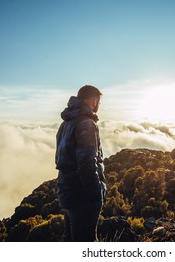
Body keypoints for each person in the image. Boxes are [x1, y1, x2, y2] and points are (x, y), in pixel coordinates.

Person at [55, 85, 106, 242]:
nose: (98, 106)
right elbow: (86, 165)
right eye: (98, 102)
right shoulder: (87, 124)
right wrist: (96, 195)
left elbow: (61, 159)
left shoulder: (65, 124)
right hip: (82, 197)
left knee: (70, 239)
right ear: (94, 100)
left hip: (66, 192)